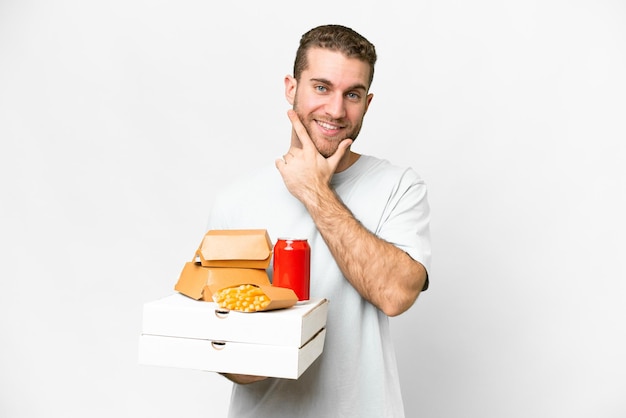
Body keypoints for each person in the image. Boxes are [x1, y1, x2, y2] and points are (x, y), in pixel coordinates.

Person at [206, 24, 431, 418]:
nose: (336, 110)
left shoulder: (399, 186)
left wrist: (314, 191)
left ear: (368, 102)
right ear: (291, 88)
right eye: (322, 88)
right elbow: (228, 354)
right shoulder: (237, 201)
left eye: (353, 94)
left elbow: (396, 294)